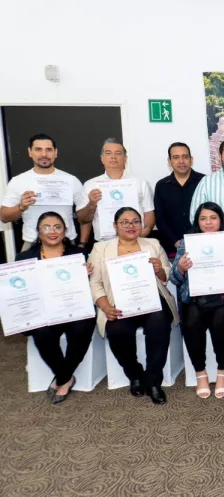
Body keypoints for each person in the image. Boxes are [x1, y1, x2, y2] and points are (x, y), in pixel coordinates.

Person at [88, 207, 179, 404]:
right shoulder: (100, 249)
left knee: (159, 325)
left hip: (152, 299)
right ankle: (135, 374)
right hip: (117, 302)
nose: (131, 226)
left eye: (136, 221)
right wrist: (106, 307)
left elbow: (166, 276)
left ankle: (153, 380)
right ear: (115, 225)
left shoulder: (152, 244)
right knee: (117, 330)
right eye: (125, 222)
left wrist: (158, 270)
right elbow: (95, 283)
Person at [15, 211, 96, 404]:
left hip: (74, 308)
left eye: (57, 227)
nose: (52, 231)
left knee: (82, 328)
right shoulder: (24, 257)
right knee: (41, 332)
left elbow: (89, 287)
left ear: (65, 230)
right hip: (43, 311)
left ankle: (61, 378)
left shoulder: (79, 255)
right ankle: (65, 377)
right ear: (38, 231)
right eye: (46, 227)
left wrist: (86, 275)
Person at [170, 202, 224, 399]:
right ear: (197, 221)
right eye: (203, 218)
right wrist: (181, 268)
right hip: (195, 298)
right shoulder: (187, 243)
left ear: (221, 220)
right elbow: (174, 279)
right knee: (191, 321)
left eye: (213, 218)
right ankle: (200, 373)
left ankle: (222, 371)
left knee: (221, 319)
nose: (208, 222)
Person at [1, 134, 90, 251]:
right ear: (30, 152)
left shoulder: (71, 180)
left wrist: (82, 243)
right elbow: (4, 217)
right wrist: (21, 207)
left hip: (66, 243)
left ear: (55, 152)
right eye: (38, 149)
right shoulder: (18, 181)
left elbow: (84, 217)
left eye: (49, 149)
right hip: (32, 244)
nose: (44, 154)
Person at [80, 138, 156, 242]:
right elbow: (82, 219)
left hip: (137, 241)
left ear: (125, 159)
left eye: (118, 153)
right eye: (108, 153)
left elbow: (149, 211)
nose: (113, 157)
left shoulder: (140, 183)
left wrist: (144, 232)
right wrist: (91, 204)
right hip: (105, 243)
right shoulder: (90, 185)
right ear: (102, 159)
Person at [154, 142, 205, 254]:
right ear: (169, 161)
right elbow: (159, 218)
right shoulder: (161, 185)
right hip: (171, 247)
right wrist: (175, 241)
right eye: (176, 157)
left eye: (185, 157)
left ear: (191, 160)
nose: (181, 161)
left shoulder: (204, 181)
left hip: (202, 245)